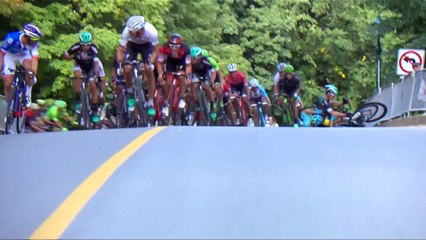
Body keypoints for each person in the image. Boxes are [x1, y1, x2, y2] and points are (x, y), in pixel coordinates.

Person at [116, 15, 160, 116]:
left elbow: (156, 50)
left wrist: (150, 62)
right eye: (131, 32)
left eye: (134, 32)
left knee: (148, 69)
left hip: (147, 45)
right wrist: (120, 64)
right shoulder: (126, 32)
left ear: (140, 29)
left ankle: (150, 101)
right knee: (127, 68)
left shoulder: (151, 32)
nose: (131, 33)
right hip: (132, 45)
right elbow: (120, 49)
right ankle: (130, 91)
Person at [64, 32, 107, 123]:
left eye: (88, 45)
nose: (85, 47)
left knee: (93, 85)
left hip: (91, 67)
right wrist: (70, 56)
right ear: (80, 44)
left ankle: (94, 110)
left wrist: (95, 74)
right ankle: (78, 99)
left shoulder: (94, 49)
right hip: (80, 65)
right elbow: (66, 55)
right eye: (83, 45)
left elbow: (96, 63)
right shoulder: (75, 47)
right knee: (78, 76)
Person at [0, 23, 42, 107]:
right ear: (27, 37)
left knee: (30, 70)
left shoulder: (33, 44)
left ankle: (27, 94)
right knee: (8, 84)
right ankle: (9, 106)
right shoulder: (12, 38)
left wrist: (32, 74)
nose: (35, 42)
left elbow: (34, 59)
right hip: (9, 55)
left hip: (23, 54)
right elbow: (1, 54)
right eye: (34, 39)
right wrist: (1, 68)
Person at [156, 33, 191, 112]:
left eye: (176, 47)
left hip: (182, 61)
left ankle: (182, 97)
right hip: (170, 61)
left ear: (180, 45)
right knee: (168, 81)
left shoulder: (186, 48)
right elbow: (159, 63)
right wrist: (160, 74)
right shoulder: (164, 47)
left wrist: (188, 76)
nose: (174, 48)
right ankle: (167, 101)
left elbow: (188, 65)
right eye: (172, 46)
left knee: (182, 76)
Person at [187, 46, 217, 123]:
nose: (193, 59)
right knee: (194, 86)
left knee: (207, 87)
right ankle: (197, 103)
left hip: (205, 73)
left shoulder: (205, 61)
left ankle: (212, 105)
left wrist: (212, 81)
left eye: (195, 57)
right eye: (192, 57)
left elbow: (213, 72)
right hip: (195, 73)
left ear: (200, 56)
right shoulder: (189, 61)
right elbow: (188, 72)